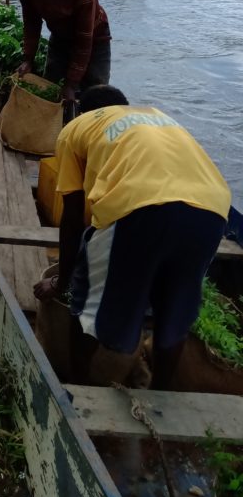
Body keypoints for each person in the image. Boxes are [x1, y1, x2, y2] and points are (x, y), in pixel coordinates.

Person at [34, 85, 231, 389]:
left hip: (137, 208)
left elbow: (72, 216)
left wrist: (62, 282)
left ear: (86, 112)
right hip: (212, 210)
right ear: (124, 105)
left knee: (87, 304)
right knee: (174, 307)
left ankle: (79, 384)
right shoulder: (156, 115)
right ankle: (162, 393)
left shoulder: (75, 128)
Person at [17, 0, 110, 103]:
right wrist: (28, 59)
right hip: (60, 36)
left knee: (95, 95)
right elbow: (31, 25)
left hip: (95, 39)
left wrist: (71, 83)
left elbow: (84, 41)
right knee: (50, 89)